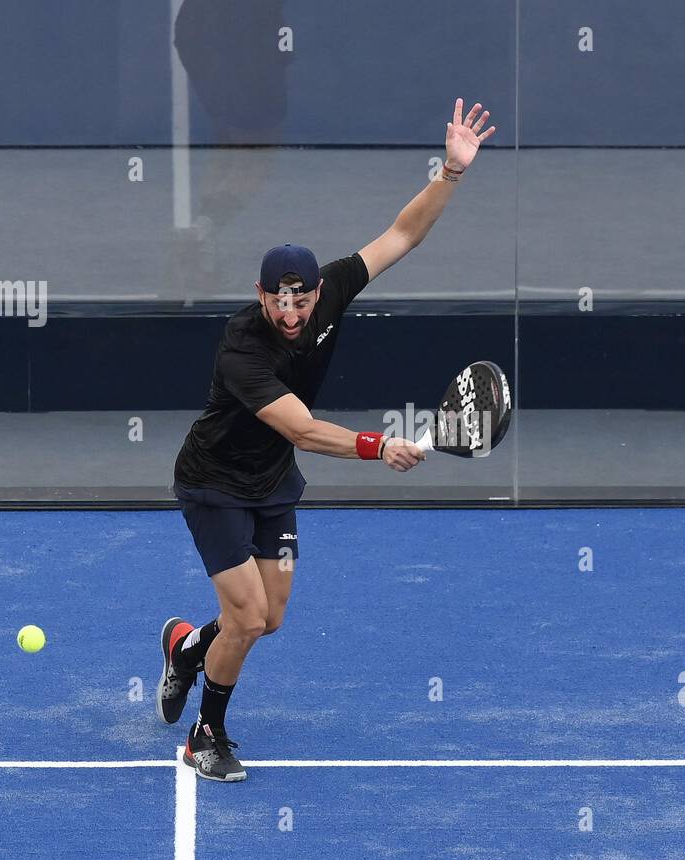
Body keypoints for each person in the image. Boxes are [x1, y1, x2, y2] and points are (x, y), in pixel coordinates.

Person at [159, 98, 497, 781]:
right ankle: (207, 734)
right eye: (276, 301)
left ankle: (188, 648)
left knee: (270, 617)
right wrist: (379, 447)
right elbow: (302, 429)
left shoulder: (335, 287)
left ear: (318, 292)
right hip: (214, 483)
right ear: (260, 296)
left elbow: (402, 235)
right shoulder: (241, 350)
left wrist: (451, 174)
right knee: (248, 617)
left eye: (301, 300)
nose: (289, 313)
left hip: (271, 482)